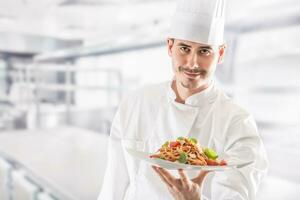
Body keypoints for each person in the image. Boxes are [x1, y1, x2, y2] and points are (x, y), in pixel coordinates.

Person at [98, 0, 268, 199]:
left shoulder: (238, 123)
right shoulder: (135, 103)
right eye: (184, 48)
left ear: (220, 53)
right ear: (170, 47)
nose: (192, 63)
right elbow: (112, 189)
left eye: (204, 51)